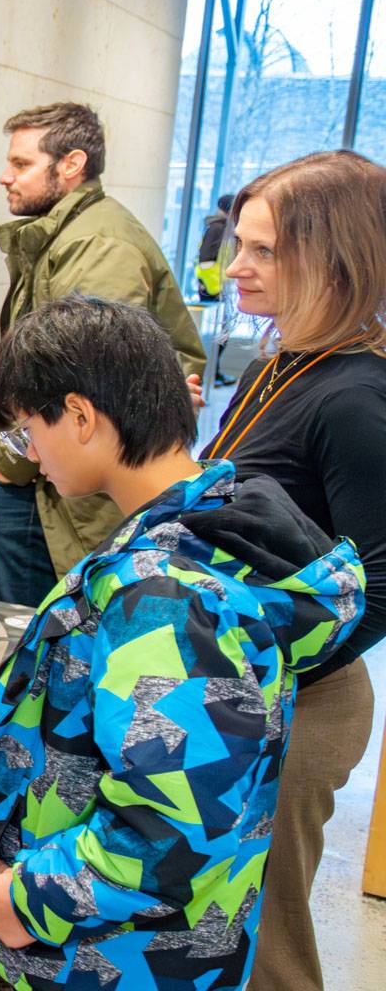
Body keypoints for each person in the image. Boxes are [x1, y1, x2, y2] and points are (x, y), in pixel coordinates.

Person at [0, 294, 362, 991]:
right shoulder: (208, 518)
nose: (30, 454)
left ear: (80, 417)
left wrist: (27, 900)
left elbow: (173, 830)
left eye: (29, 430)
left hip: (94, 960)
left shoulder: (167, 598)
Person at [204, 149, 386, 991]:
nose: (234, 266)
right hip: (244, 691)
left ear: (338, 261)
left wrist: (257, 668)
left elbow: (379, 585)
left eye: (264, 250)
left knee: (265, 948)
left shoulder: (353, 399)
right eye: (238, 243)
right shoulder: (278, 360)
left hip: (298, 705)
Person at [0, 102, 205, 608]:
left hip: (45, 482)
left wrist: (13, 463)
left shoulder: (98, 242)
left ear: (71, 164)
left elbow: (85, 383)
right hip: (32, 466)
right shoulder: (66, 231)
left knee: (23, 636)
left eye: (21, 164)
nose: (4, 177)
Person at [194, 192, 234, 301]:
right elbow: (206, 259)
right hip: (212, 285)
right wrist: (214, 287)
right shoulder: (217, 228)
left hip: (216, 283)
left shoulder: (226, 228)